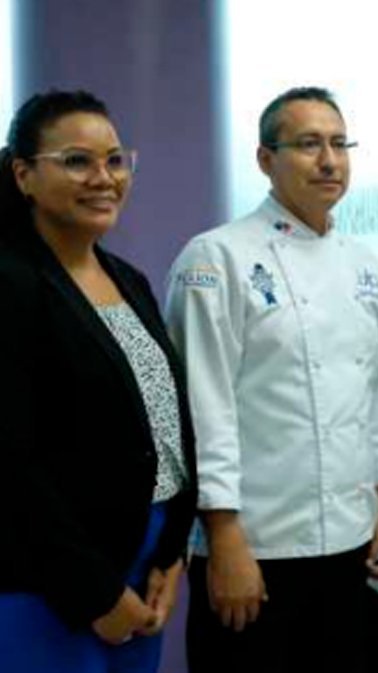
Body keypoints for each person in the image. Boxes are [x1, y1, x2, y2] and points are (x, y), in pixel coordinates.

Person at [165, 86, 378, 673]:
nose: (328, 160)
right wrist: (221, 538)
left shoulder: (363, 263)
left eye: (338, 143)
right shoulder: (215, 258)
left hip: (352, 541)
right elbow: (205, 408)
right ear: (265, 160)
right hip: (256, 546)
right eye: (307, 144)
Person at [0, 90, 197, 673]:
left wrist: (171, 551)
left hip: (144, 554)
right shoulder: (10, 284)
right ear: (24, 175)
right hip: (48, 579)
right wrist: (93, 592)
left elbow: (166, 422)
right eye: (77, 161)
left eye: (115, 160)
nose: (104, 177)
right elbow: (9, 464)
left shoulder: (128, 279)